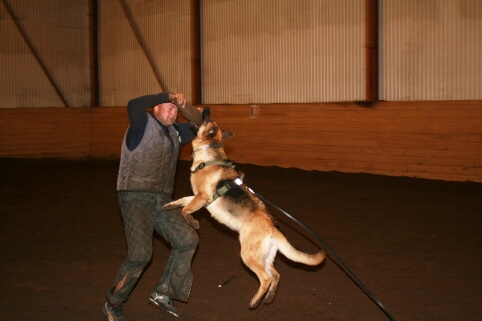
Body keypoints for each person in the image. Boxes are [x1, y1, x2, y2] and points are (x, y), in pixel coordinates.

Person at [103, 92, 202, 321]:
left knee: (188, 240)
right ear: (155, 108)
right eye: (168, 107)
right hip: (134, 197)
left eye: (175, 109)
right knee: (140, 255)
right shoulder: (141, 123)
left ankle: (163, 292)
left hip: (162, 200)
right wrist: (166, 95)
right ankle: (113, 303)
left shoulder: (176, 132)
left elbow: (201, 122)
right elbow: (133, 103)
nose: (173, 111)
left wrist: (183, 104)